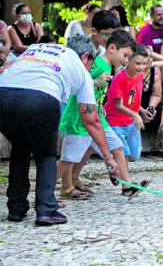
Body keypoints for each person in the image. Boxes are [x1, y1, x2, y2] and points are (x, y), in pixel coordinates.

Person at [0, 35, 119, 226]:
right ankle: (46, 209)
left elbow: (6, 69)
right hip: (41, 97)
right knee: (45, 154)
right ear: (85, 56)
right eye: (91, 63)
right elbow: (92, 120)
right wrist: (108, 157)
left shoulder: (37, 48)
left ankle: (16, 208)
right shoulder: (81, 71)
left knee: (20, 148)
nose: (90, 68)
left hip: (3, 94)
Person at [58, 28, 149, 200]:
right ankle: (58, 188)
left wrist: (100, 104)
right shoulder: (98, 63)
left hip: (97, 116)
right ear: (112, 48)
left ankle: (127, 186)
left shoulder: (108, 66)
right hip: (80, 117)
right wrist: (96, 82)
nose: (126, 60)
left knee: (117, 148)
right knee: (70, 157)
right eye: (125, 55)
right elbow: (78, 83)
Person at [105, 44, 149, 162]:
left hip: (130, 121)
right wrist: (136, 115)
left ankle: (118, 170)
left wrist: (140, 110)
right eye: (138, 63)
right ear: (127, 60)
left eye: (144, 64)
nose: (141, 67)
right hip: (116, 121)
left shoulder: (139, 76)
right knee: (123, 154)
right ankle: (122, 177)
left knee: (134, 155)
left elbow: (131, 98)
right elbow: (118, 105)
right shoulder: (119, 78)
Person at [140, 46, 163, 160]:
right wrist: (140, 110)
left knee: (161, 110)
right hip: (133, 104)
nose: (150, 59)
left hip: (149, 102)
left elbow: (156, 94)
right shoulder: (131, 71)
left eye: (151, 56)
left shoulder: (155, 71)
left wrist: (150, 108)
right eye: (146, 57)